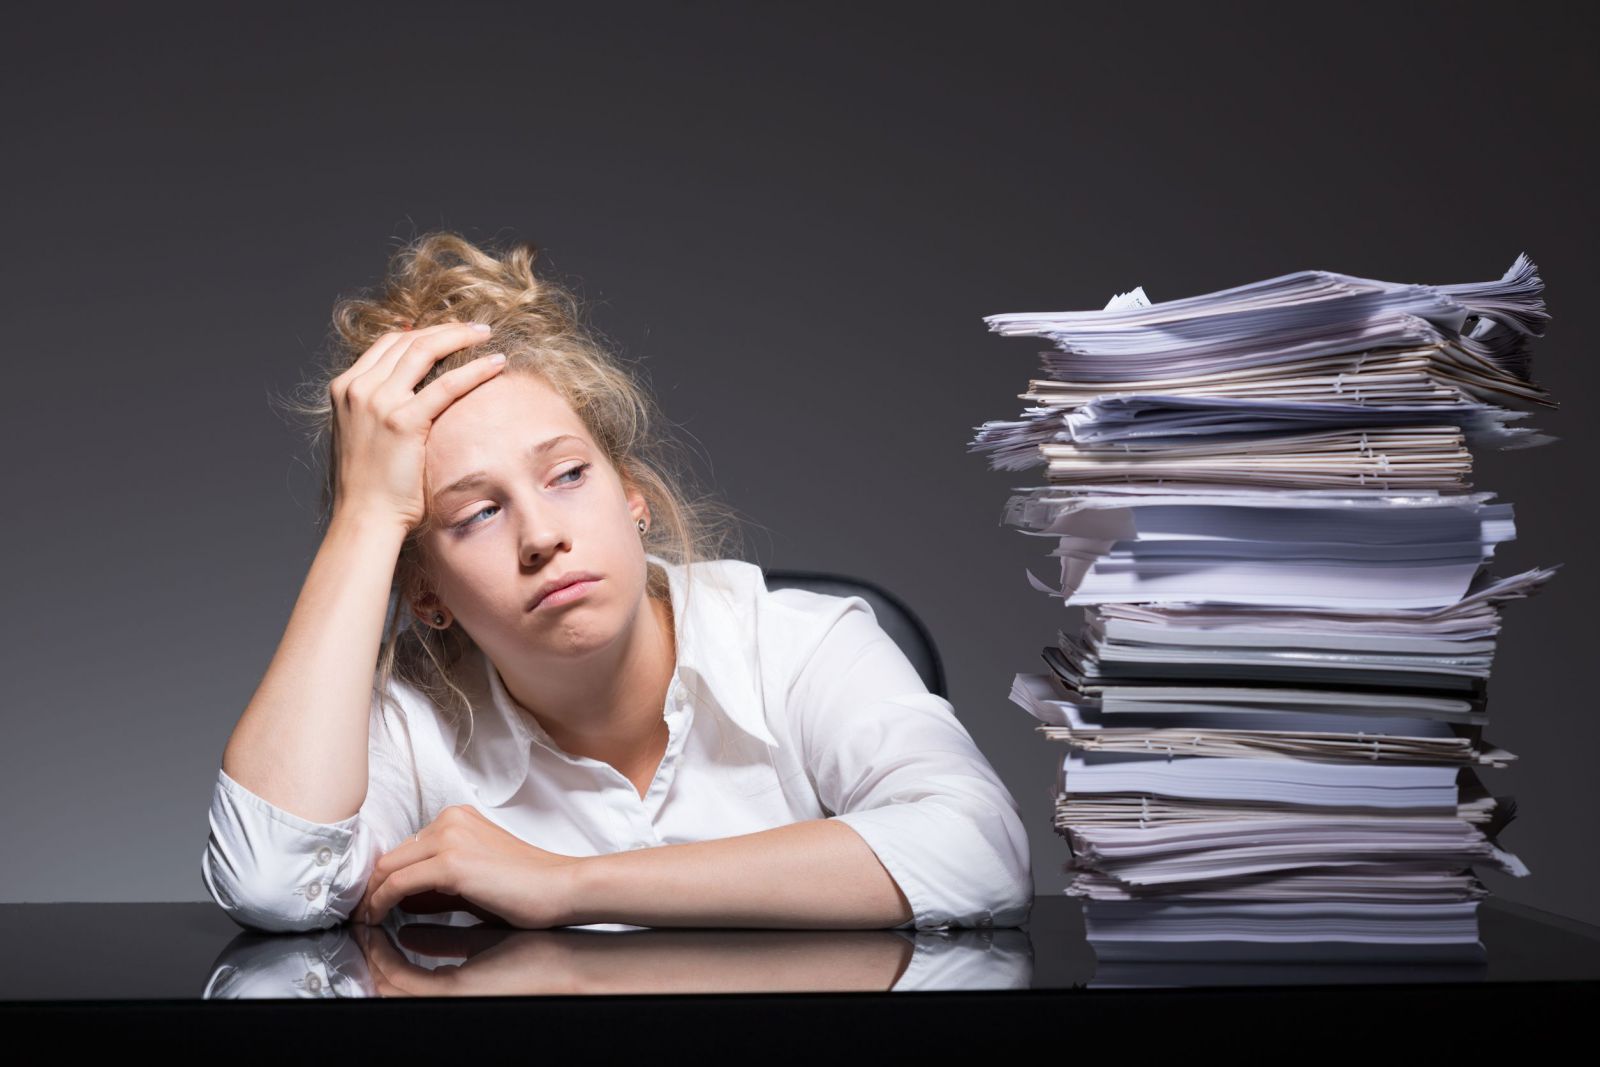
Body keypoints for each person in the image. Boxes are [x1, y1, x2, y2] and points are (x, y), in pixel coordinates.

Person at [200, 232, 1033, 934]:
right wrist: (366, 518)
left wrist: (566, 883)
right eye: (475, 515)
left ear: (631, 494)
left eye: (566, 474)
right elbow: (274, 878)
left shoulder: (802, 644)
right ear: (425, 594)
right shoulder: (408, 722)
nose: (543, 535)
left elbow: (979, 849)